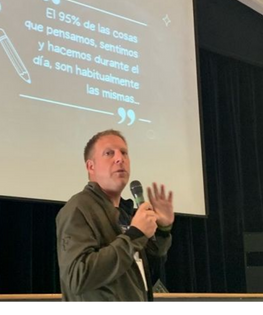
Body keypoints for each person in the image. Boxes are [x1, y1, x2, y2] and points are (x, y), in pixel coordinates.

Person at [56, 129, 174, 305]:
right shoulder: (79, 208)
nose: (120, 158)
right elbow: (77, 277)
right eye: (109, 153)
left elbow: (148, 266)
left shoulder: (125, 213)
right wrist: (134, 235)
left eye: (124, 152)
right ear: (91, 166)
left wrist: (163, 229)